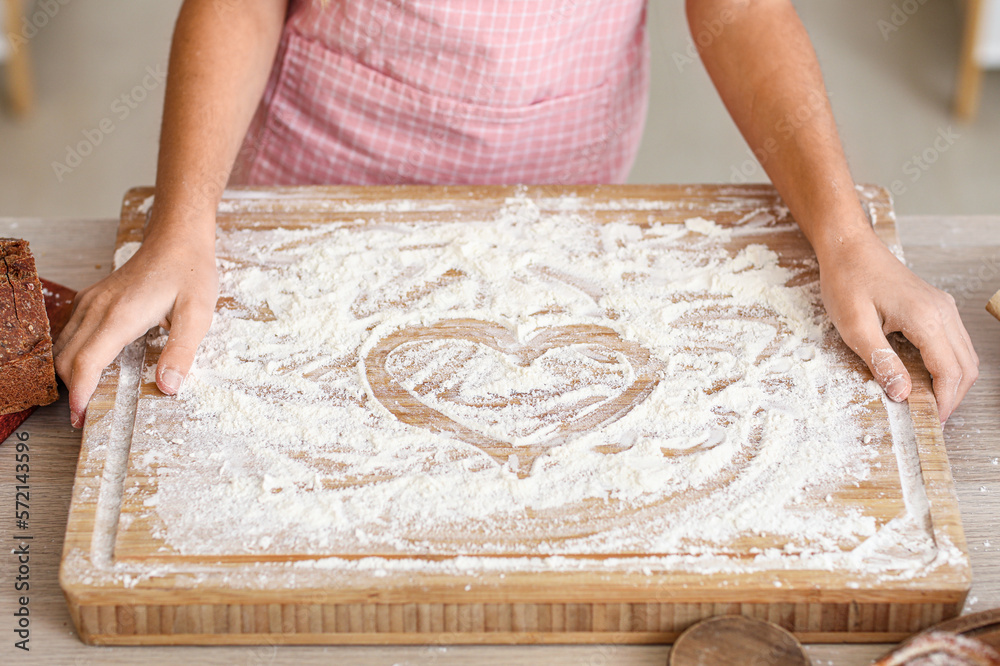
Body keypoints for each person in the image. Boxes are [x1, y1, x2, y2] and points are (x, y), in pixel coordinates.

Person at [53, 0, 978, 429]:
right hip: (317, 187)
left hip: (559, 194)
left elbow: (736, 11)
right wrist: (180, 226)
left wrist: (847, 237)